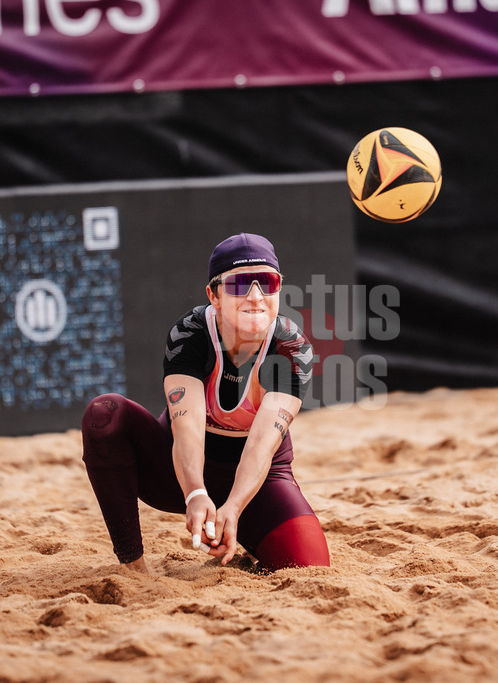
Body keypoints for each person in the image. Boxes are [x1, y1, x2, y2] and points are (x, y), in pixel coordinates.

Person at [81, 233, 330, 573]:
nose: (256, 297)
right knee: (104, 414)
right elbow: (187, 431)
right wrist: (195, 492)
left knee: (308, 568)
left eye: (268, 283)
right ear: (214, 295)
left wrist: (236, 506)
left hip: (258, 477)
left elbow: (261, 446)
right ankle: (133, 565)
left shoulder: (291, 348)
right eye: (241, 284)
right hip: (178, 471)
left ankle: (244, 532)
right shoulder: (191, 334)